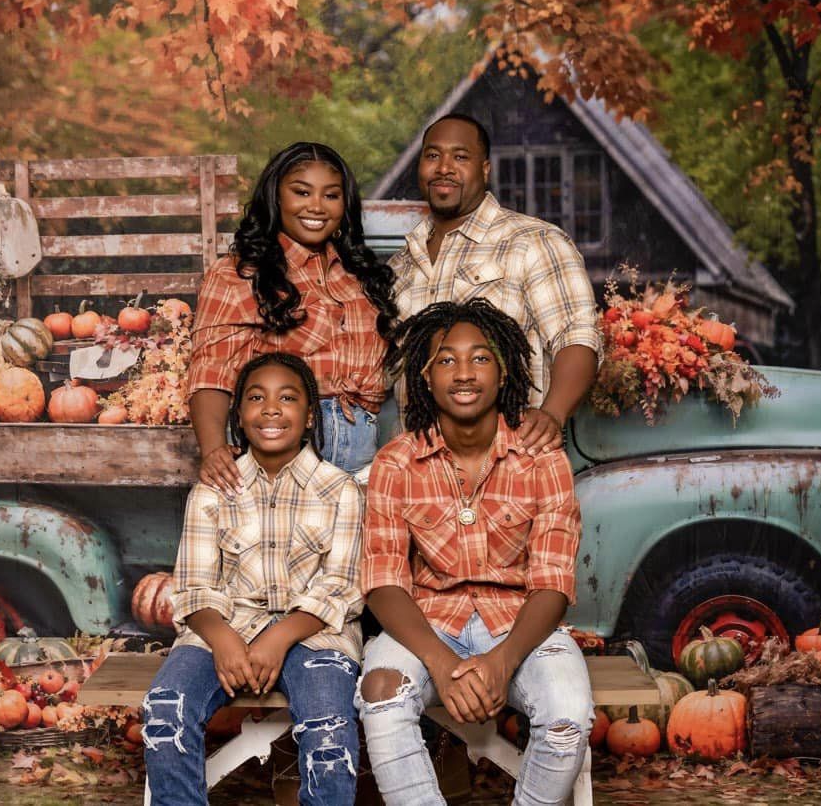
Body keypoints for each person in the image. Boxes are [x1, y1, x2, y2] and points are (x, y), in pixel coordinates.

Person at [357, 299, 592, 806]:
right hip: (427, 622)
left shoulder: (542, 459)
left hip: (520, 623)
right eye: (446, 360)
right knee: (380, 694)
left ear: (505, 372)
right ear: (424, 377)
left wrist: (503, 661)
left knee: (568, 715)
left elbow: (553, 581)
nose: (464, 373)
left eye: (480, 358)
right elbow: (383, 580)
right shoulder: (396, 462)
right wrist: (441, 663)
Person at [143, 352, 364, 806]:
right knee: (165, 711)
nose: (270, 409)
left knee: (329, 733)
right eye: (256, 398)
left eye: (288, 398)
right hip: (223, 628)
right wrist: (223, 640)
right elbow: (194, 586)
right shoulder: (213, 490)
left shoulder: (340, 489)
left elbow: (342, 587)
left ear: (307, 418)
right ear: (239, 417)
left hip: (315, 636)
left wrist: (278, 638)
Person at [390, 112, 601, 455]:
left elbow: (576, 336)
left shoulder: (533, 241)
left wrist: (552, 413)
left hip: (512, 469)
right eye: (432, 155)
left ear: (485, 169)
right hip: (421, 477)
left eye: (460, 157)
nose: (444, 167)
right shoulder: (400, 265)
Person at [191, 141, 397, 492]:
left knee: (353, 546)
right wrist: (212, 449)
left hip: (363, 455)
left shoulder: (359, 276)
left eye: (331, 195)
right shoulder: (239, 274)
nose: (316, 206)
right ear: (276, 196)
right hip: (286, 448)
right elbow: (211, 370)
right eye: (302, 192)